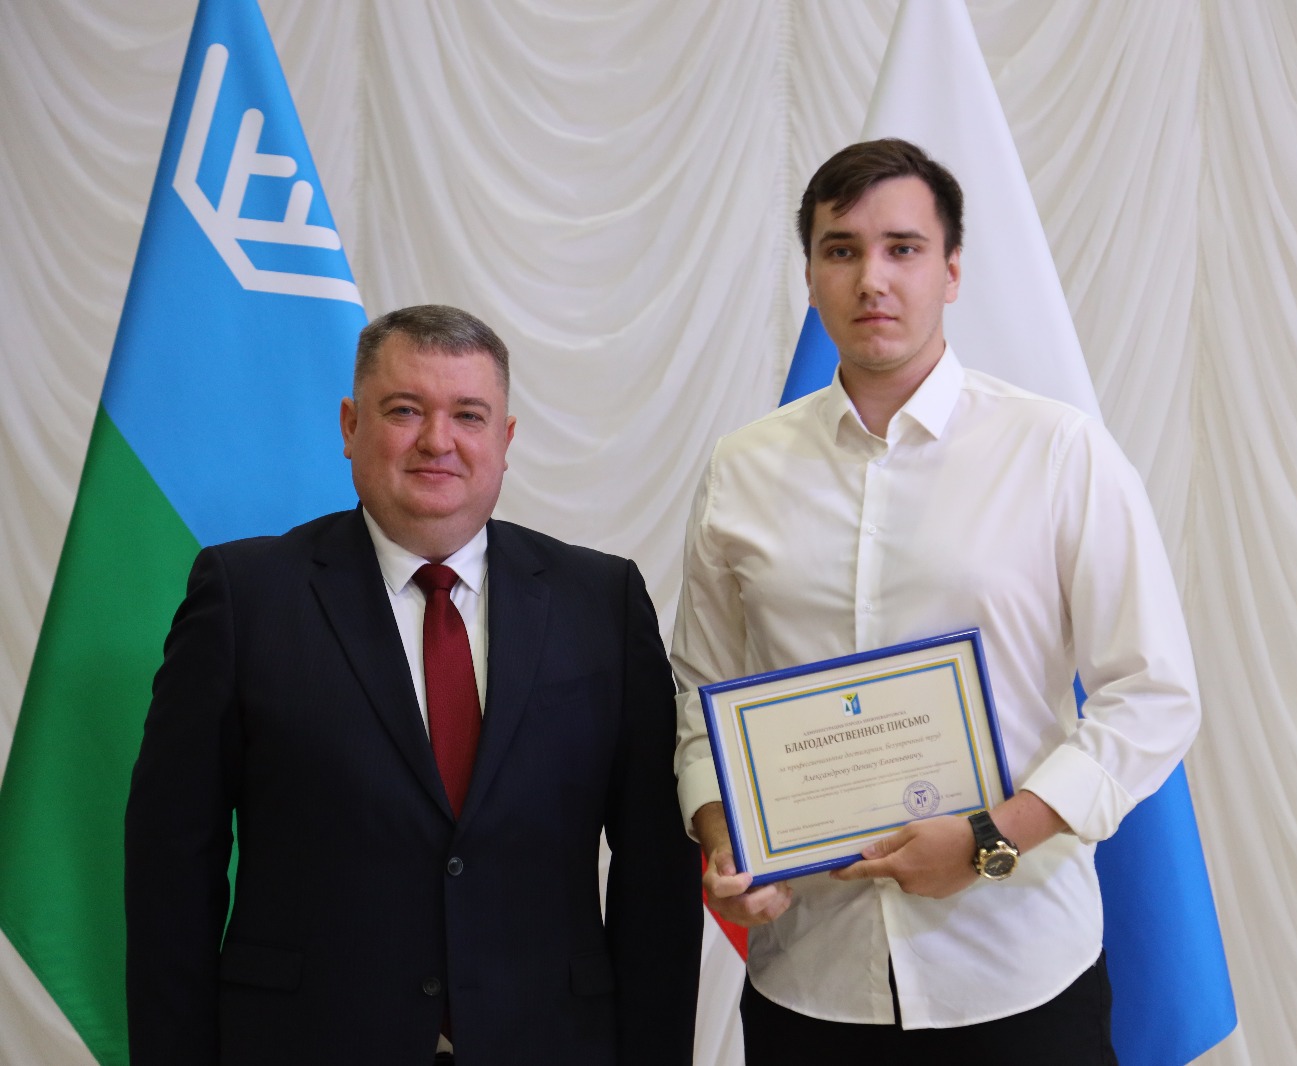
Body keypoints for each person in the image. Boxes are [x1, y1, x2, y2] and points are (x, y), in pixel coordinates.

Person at [672, 139, 1202, 1063]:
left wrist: (992, 838)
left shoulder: (1058, 452)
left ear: (952, 271)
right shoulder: (741, 470)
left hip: (1019, 970)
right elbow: (700, 696)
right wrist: (726, 840)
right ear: (810, 275)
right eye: (841, 250)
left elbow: (1152, 696)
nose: (871, 278)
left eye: (903, 249)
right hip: (812, 981)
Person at [125, 304, 701, 1066]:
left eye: (469, 415)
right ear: (350, 425)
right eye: (404, 411)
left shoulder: (602, 602)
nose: (438, 440)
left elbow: (657, 872)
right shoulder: (245, 597)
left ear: (505, 439)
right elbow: (171, 866)